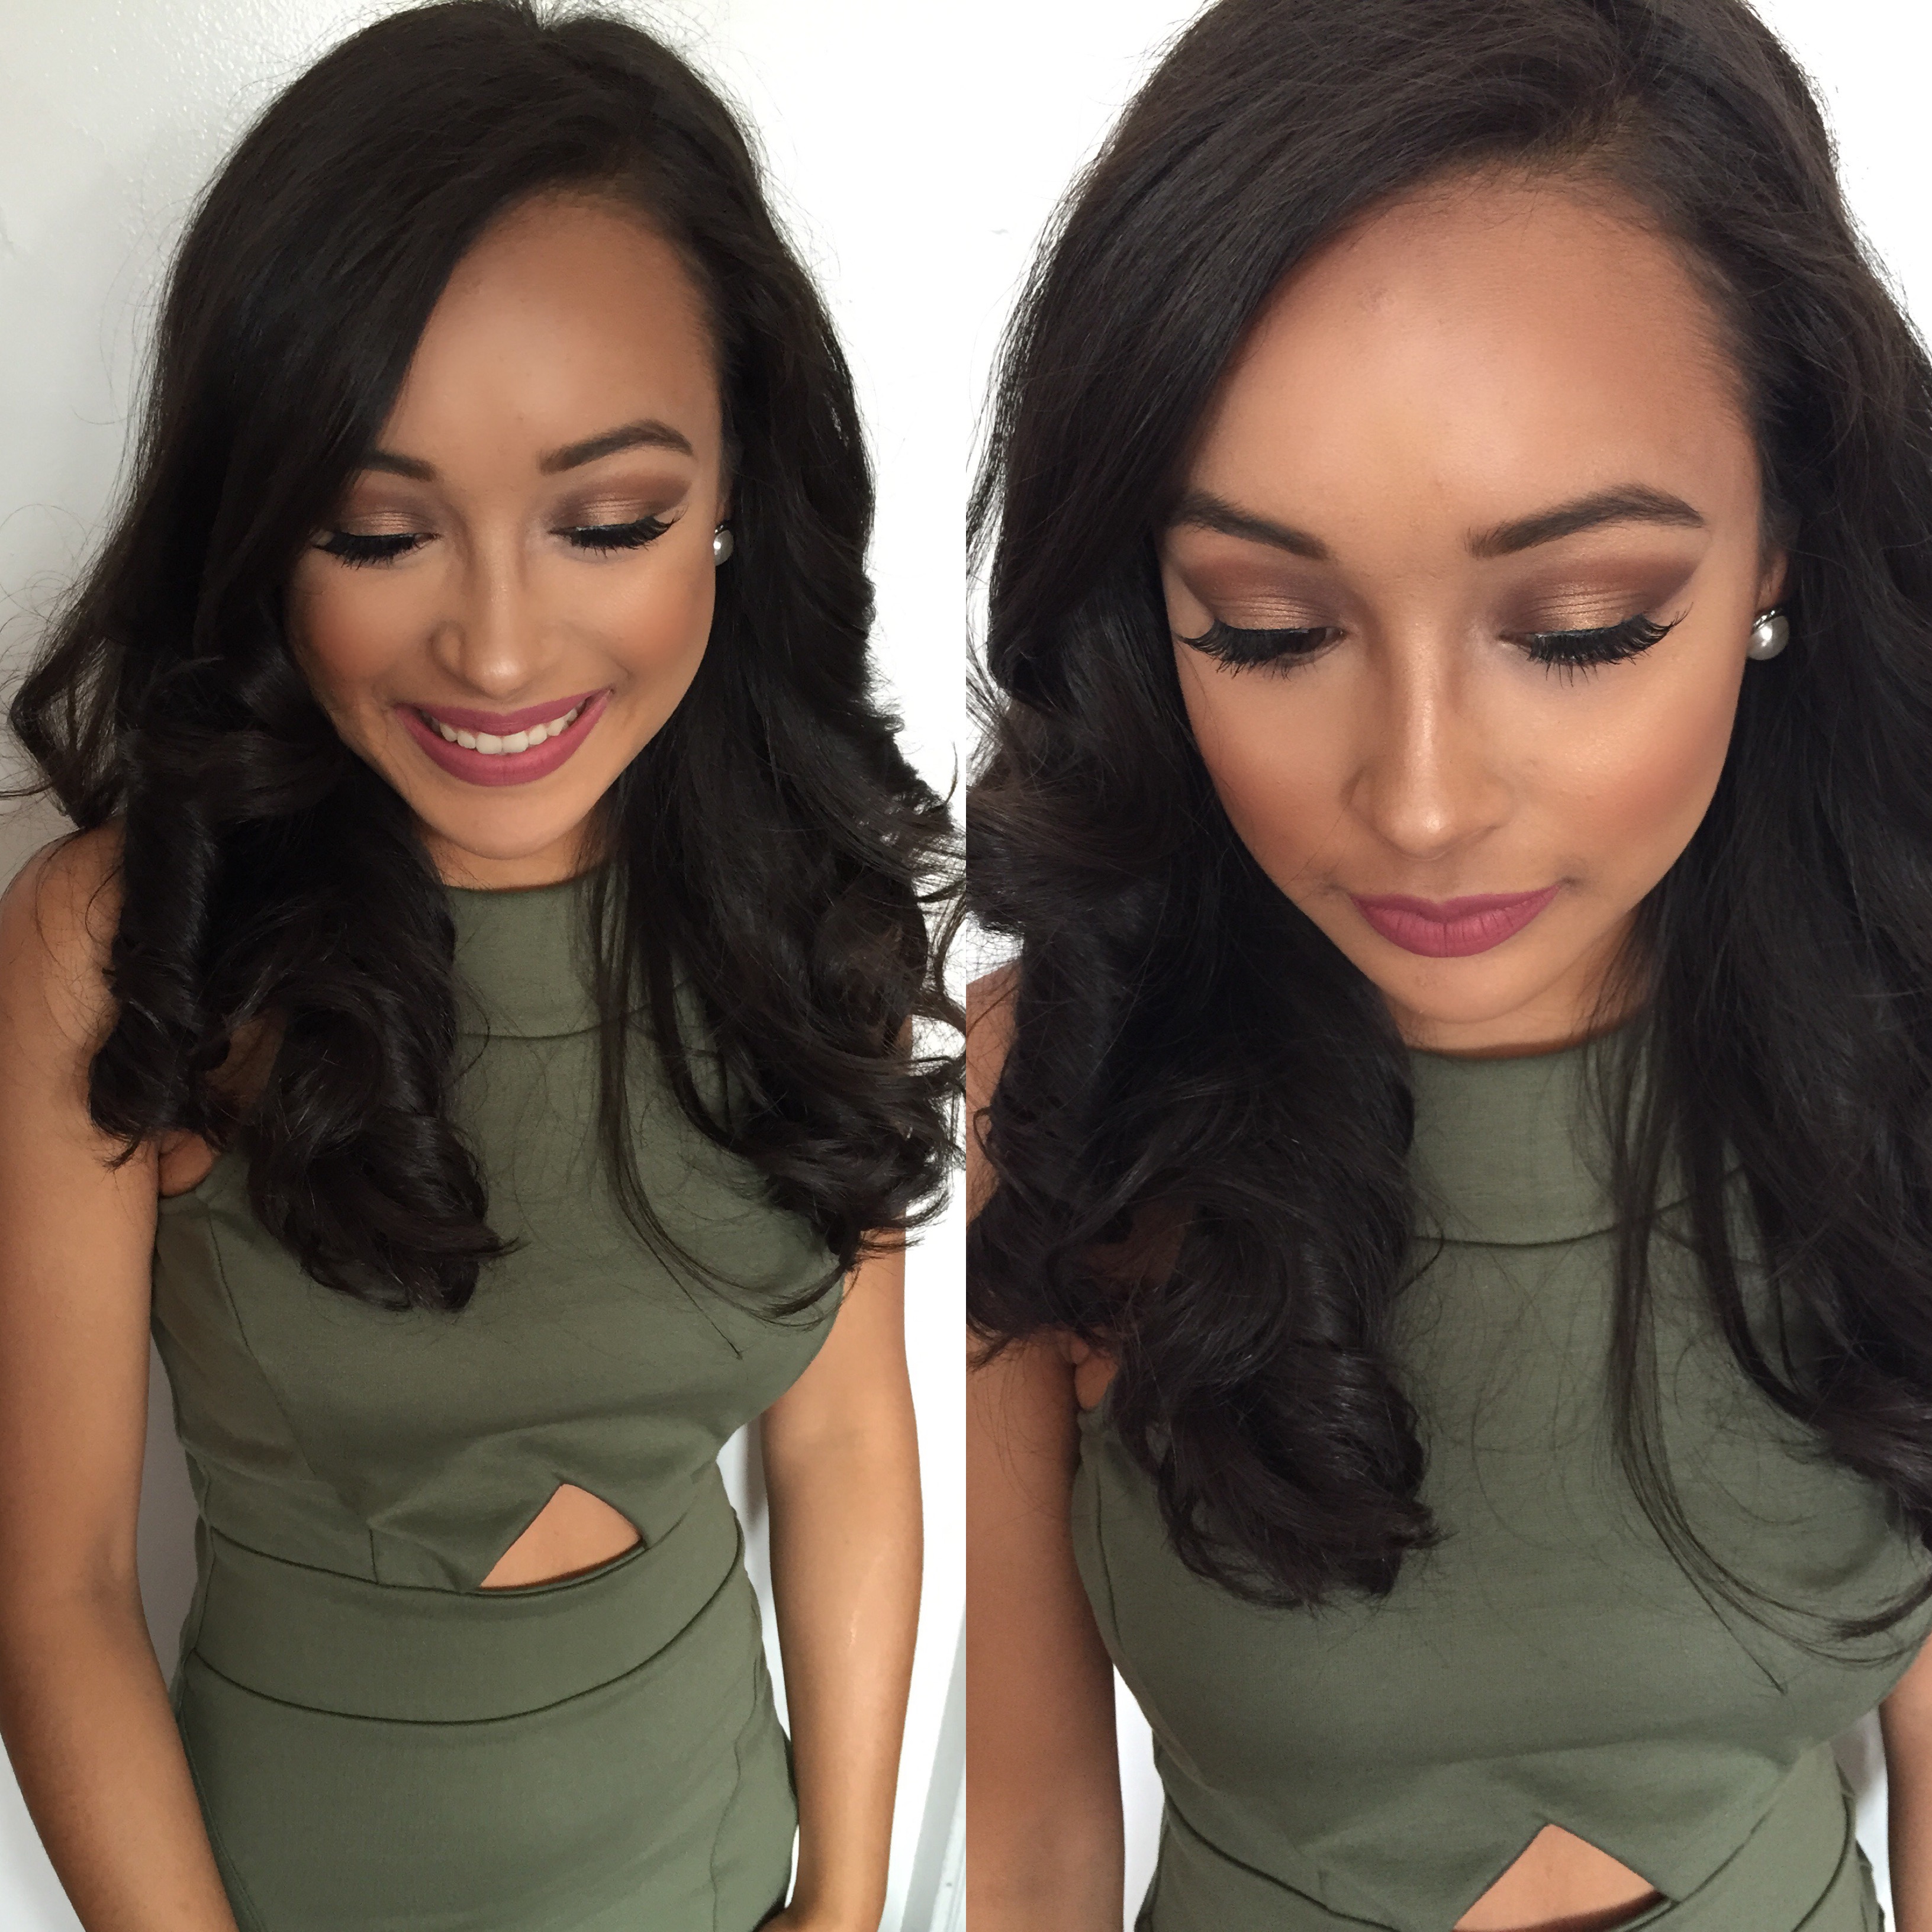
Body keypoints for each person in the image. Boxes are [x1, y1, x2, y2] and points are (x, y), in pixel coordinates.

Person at [965, 1, 1932, 1928]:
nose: (1417, 803)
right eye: (1265, 627)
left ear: (1781, 546)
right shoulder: (1046, 1087)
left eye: (1580, 626)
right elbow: (1029, 1845)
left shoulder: (1900, 1046)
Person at [0, 5, 956, 1929]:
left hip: (723, 1862)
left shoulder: (806, 903)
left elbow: (848, 1440)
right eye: (378, 530)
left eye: (607, 520)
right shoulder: (124, 943)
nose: (500, 652)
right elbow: (60, 1600)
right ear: (264, 527)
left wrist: (848, 1903)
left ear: (737, 493)